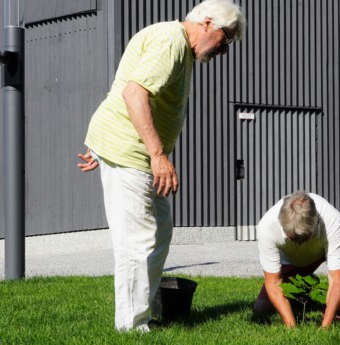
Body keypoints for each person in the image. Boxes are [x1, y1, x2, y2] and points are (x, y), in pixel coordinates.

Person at [77, 0, 246, 332]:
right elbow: (134, 93)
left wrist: (100, 146)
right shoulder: (172, 41)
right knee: (137, 243)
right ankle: (133, 326)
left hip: (128, 151)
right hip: (134, 156)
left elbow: (127, 86)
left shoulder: (179, 46)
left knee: (158, 233)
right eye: (225, 39)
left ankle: (141, 315)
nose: (224, 50)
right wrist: (158, 156)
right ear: (208, 23)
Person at [254, 191, 340, 328]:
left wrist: (325, 327)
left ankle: (331, 308)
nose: (300, 243)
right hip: (292, 260)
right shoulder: (267, 227)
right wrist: (291, 327)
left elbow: (337, 279)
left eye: (305, 237)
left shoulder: (330, 219)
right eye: (294, 238)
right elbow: (273, 282)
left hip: (321, 251)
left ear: (316, 223)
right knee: (261, 308)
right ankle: (306, 288)